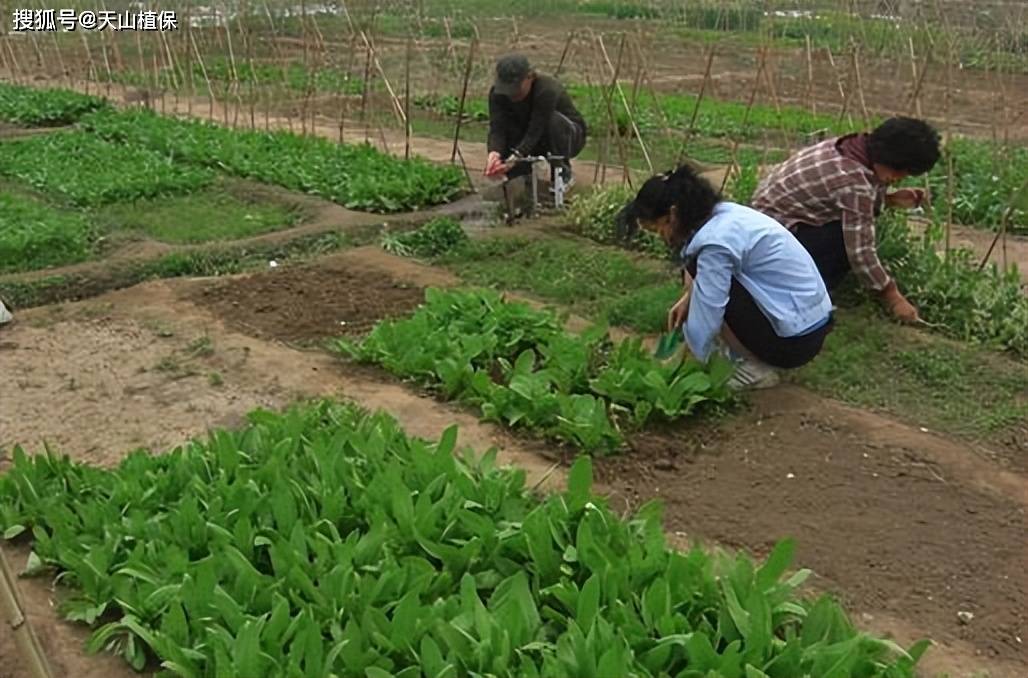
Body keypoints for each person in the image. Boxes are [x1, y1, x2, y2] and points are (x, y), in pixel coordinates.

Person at [619, 164, 834, 390]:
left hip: (792, 343)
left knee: (706, 284)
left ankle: (751, 370)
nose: (661, 237)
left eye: (657, 229)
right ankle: (738, 353)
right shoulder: (725, 215)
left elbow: (710, 308)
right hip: (808, 326)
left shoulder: (715, 242)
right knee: (700, 276)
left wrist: (685, 369)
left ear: (672, 215)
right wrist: (689, 298)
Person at [751, 116, 941, 323]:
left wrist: (888, 199)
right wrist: (893, 297)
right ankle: (801, 297)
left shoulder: (852, 146)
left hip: (765, 224)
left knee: (849, 230)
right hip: (771, 241)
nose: (898, 178)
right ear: (889, 157)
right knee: (845, 241)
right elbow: (860, 252)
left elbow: (849, 196)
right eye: (898, 171)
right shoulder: (852, 180)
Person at [483, 53, 587, 186]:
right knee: (509, 126)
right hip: (531, 133)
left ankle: (562, 173)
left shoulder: (546, 89)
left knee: (552, 121)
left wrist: (517, 156)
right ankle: (519, 173)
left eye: (515, 89)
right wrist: (494, 153)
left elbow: (536, 128)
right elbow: (497, 127)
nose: (511, 95)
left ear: (529, 77)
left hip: (567, 136)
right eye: (506, 90)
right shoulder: (497, 94)